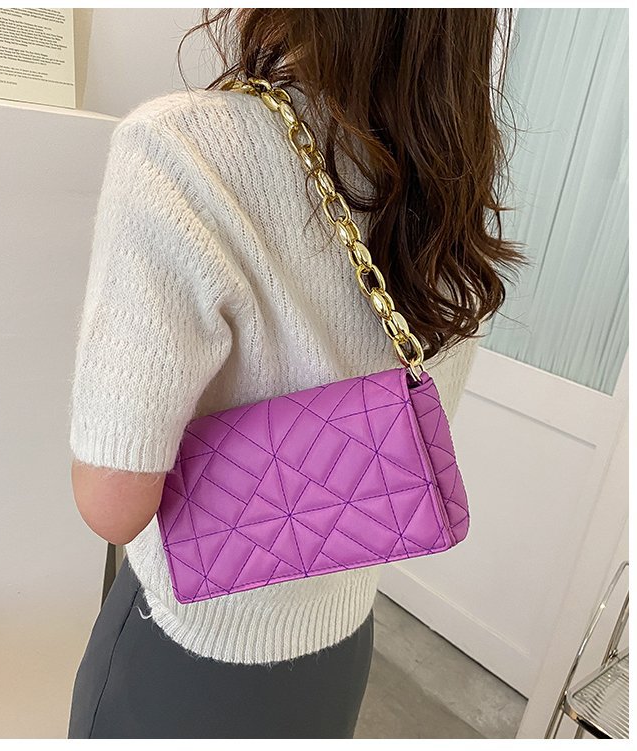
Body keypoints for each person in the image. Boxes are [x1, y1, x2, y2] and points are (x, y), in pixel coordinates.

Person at [66, 8, 525, 739]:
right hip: (340, 644)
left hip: (185, 656)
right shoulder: (452, 177)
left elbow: (112, 504)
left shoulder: (181, 150)